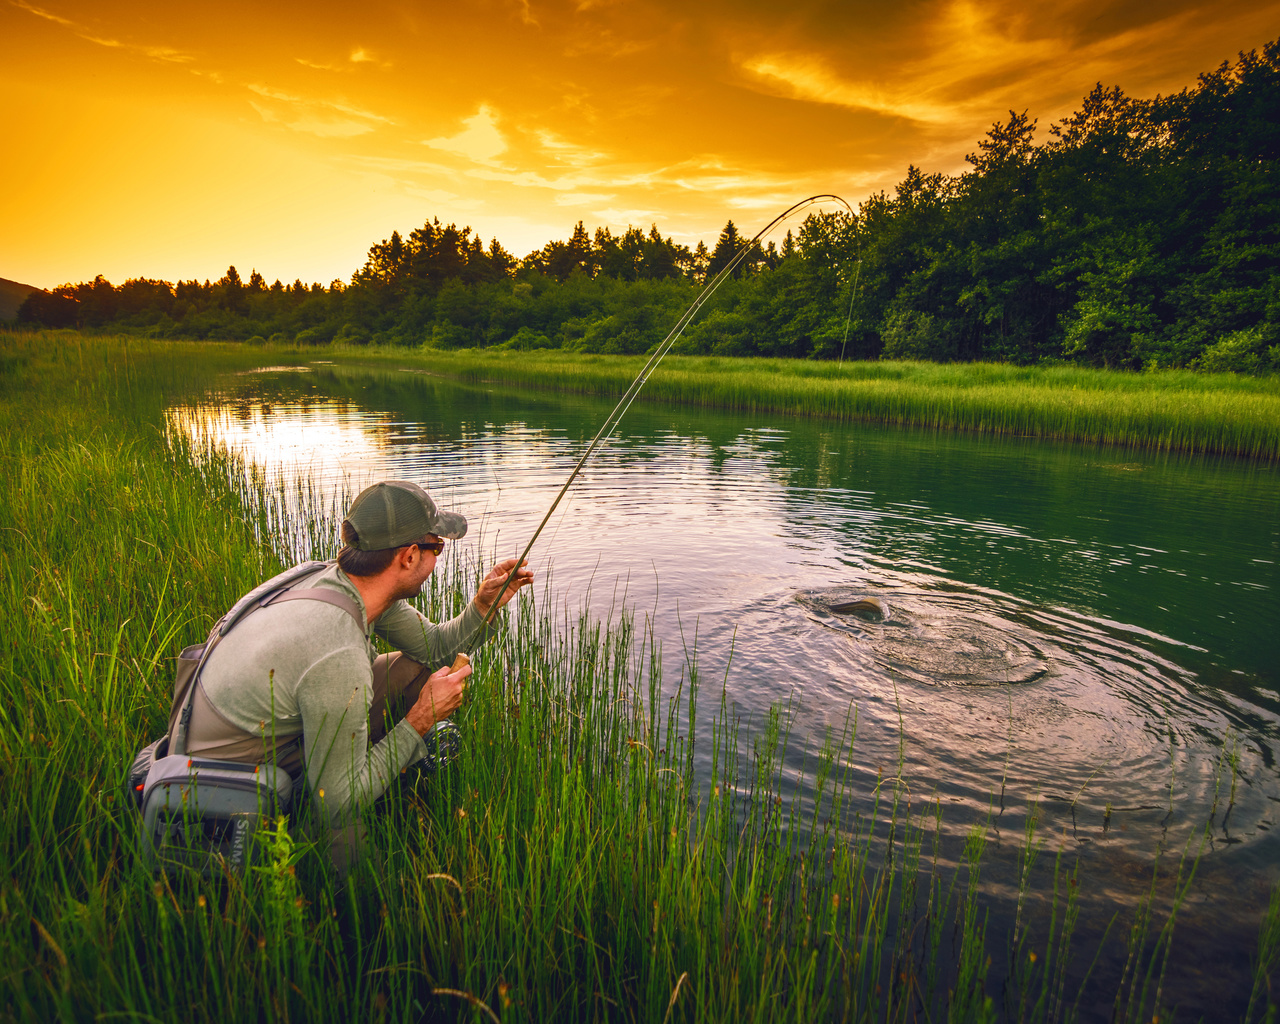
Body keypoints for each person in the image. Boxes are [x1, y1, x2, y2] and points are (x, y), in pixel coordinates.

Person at [184, 480, 533, 868]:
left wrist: (485, 605)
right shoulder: (337, 652)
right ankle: (341, 885)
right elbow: (332, 804)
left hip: (266, 728)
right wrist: (420, 722)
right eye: (437, 547)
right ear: (409, 556)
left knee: (414, 668)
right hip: (235, 775)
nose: (438, 558)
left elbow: (435, 649)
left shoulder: (341, 582)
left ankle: (376, 771)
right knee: (351, 841)